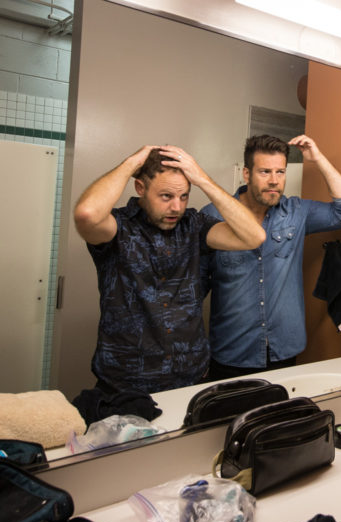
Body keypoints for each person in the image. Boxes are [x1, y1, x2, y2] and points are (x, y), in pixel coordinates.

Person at [73, 145, 266, 394]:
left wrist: (202, 179)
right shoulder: (118, 227)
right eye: (166, 196)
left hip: (190, 378)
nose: (177, 207)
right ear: (140, 188)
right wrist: (132, 163)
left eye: (183, 196)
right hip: (125, 385)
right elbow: (87, 214)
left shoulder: (195, 225)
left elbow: (254, 236)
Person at [202, 134, 341, 380]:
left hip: (283, 351)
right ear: (246, 174)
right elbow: (194, 285)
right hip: (231, 352)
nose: (274, 181)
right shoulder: (213, 215)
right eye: (265, 172)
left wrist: (318, 159)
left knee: (278, 418)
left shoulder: (296, 213)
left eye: (280, 172)